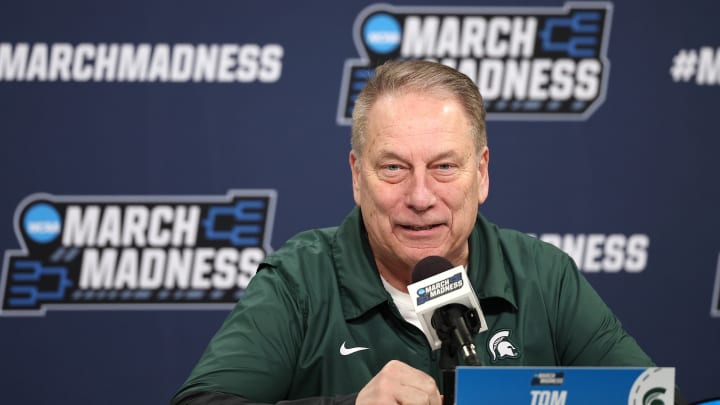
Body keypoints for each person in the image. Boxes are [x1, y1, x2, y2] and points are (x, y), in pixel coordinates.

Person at [170, 60, 660, 405]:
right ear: (357, 176)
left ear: (482, 173)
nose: (421, 196)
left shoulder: (542, 275)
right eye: (393, 168)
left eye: (445, 166)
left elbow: (653, 398)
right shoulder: (300, 280)